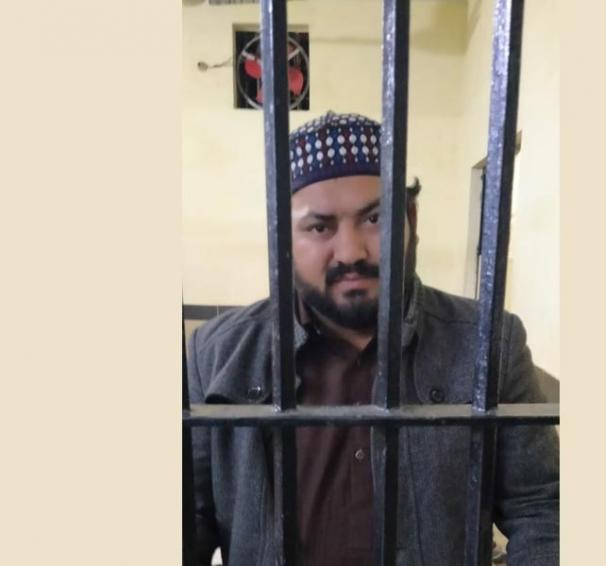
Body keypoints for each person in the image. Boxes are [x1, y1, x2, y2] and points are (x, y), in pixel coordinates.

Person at [187, 111, 559, 566]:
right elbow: (188, 522)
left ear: (411, 218)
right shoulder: (215, 355)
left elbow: (541, 508)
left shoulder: (487, 344)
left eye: (375, 218)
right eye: (319, 226)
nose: (350, 252)